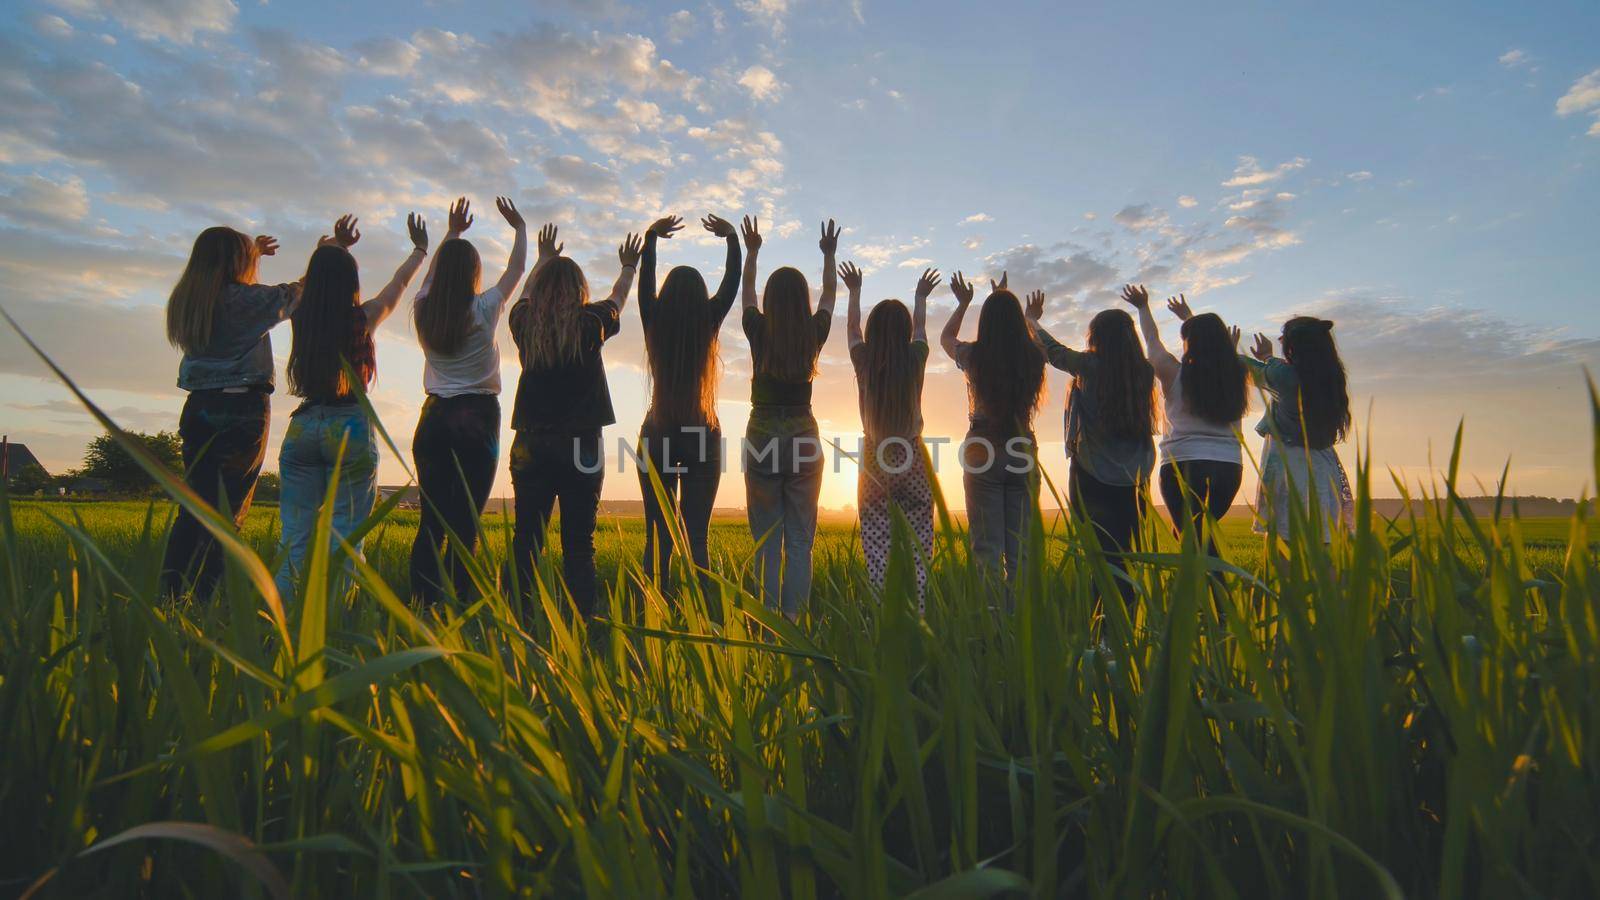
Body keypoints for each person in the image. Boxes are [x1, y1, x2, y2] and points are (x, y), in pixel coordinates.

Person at [275, 213, 428, 597]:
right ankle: (335, 619)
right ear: (352, 283)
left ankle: (282, 621)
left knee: (295, 535)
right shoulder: (364, 317)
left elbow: (311, 281)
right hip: (351, 427)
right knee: (346, 535)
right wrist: (420, 250)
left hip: (303, 426)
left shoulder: (298, 313)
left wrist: (333, 247)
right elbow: (399, 283)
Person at [160, 225, 302, 600]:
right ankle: (206, 598)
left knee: (194, 509)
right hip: (242, 409)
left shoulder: (188, 300)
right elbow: (293, 294)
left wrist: (252, 251)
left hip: (200, 407)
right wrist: (326, 253)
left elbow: (227, 275)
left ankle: (171, 596)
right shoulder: (247, 301)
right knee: (228, 515)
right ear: (236, 262)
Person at [507, 227, 643, 618]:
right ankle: (582, 629)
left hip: (531, 445)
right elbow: (617, 298)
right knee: (580, 545)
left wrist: (544, 259)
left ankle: (520, 623)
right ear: (579, 290)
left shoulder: (523, 325)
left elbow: (525, 297)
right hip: (581, 447)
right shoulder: (591, 324)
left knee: (526, 541)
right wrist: (629, 266)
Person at [405, 197, 527, 606]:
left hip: (434, 418)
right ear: (474, 274)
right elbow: (515, 271)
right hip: (477, 420)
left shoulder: (423, 308)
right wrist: (520, 229)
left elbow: (433, 276)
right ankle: (456, 607)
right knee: (465, 524)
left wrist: (452, 232)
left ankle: (421, 605)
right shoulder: (485, 308)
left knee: (431, 523)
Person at [636, 212, 741, 600]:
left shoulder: (653, 318)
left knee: (657, 537)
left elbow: (645, 287)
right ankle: (703, 619)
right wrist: (732, 240)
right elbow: (731, 284)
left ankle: (655, 611)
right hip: (701, 432)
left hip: (658, 430)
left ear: (665, 295)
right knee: (697, 539)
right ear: (700, 298)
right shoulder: (708, 319)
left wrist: (651, 239)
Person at [739, 216, 840, 618]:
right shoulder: (814, 332)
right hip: (803, 433)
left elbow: (746, 292)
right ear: (803, 301)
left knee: (767, 540)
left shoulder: (757, 329)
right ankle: (795, 623)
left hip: (762, 432)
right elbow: (830, 295)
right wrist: (829, 256)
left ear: (770, 300)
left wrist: (752, 252)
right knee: (800, 540)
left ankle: (768, 626)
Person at [1029, 290, 1158, 604]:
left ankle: (1102, 629)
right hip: (1136, 477)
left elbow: (1052, 351)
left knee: (1099, 555)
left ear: (1096, 337)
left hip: (1092, 474)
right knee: (1128, 552)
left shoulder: (1088, 366)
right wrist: (1145, 309)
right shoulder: (1144, 372)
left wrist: (1031, 320)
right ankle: (1128, 623)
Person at [941, 272, 1045, 587]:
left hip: (982, 448)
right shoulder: (1034, 356)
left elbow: (946, 338)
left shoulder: (973, 355)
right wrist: (1031, 319)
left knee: (985, 549)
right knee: (1021, 552)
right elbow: (1036, 341)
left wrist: (963, 304)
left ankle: (992, 629)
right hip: (1020, 448)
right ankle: (1022, 629)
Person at [842, 261, 938, 601]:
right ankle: (920, 606)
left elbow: (852, 328)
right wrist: (920, 297)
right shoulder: (916, 358)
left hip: (874, 455)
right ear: (904, 332)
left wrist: (854, 292)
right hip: (911, 455)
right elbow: (921, 330)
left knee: (877, 538)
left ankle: (886, 610)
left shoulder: (864, 360)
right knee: (919, 536)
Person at [1130, 289, 1249, 556]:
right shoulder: (1237, 374)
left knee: (1196, 545)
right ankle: (1198, 594)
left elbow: (1151, 340)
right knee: (1194, 535)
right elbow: (1215, 350)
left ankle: (1217, 596)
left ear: (1189, 342)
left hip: (1183, 466)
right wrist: (1189, 318)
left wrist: (1143, 307)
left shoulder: (1173, 373)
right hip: (1229, 468)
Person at [1244, 317, 1354, 540]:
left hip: (1289, 466)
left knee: (1283, 543)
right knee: (1324, 541)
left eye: (1283, 337)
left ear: (1293, 345)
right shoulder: (1331, 376)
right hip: (1325, 465)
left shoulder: (1286, 377)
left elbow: (1247, 368)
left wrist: (1263, 355)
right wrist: (1269, 358)